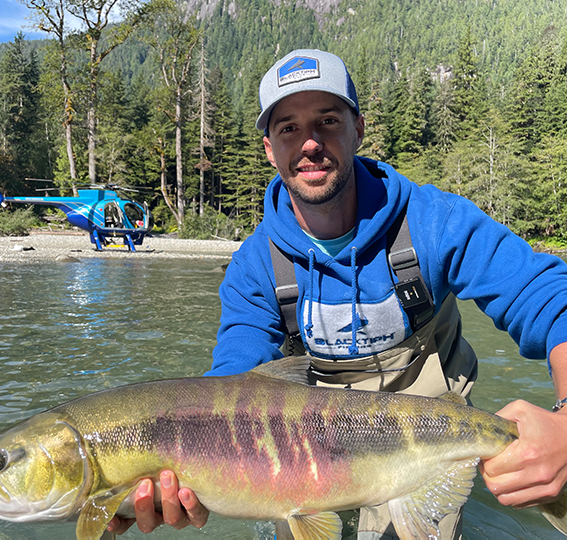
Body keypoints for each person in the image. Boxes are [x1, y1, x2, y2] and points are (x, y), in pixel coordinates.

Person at [109, 49, 567, 538]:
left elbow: (547, 297)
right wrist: (190, 474)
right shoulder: (254, 268)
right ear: (269, 148)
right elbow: (232, 385)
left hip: (426, 446)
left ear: (358, 129)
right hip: (303, 454)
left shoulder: (435, 223)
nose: (309, 143)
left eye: (327, 121)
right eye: (288, 128)